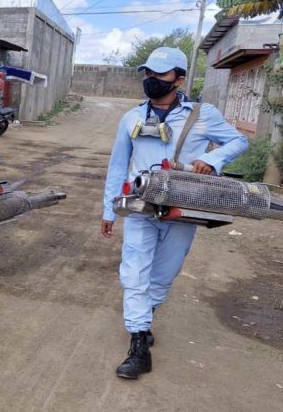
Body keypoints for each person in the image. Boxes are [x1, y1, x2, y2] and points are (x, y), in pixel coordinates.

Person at [101, 47, 248, 379]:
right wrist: (108, 209)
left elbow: (239, 141)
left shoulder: (202, 114)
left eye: (160, 74)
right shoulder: (132, 118)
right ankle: (139, 343)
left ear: (179, 79)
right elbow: (116, 167)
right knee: (134, 269)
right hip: (140, 205)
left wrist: (213, 160)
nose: (151, 79)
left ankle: (145, 314)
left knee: (165, 272)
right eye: (147, 73)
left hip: (184, 207)